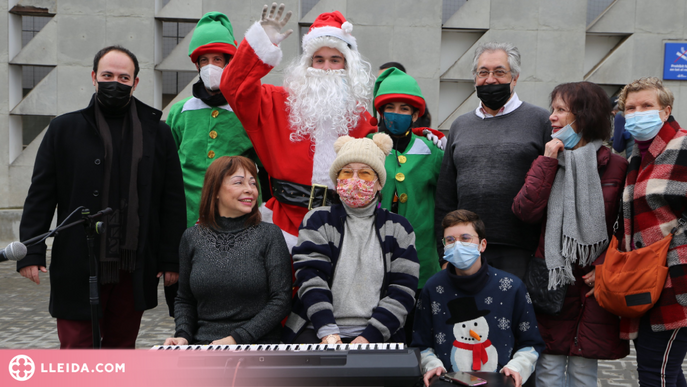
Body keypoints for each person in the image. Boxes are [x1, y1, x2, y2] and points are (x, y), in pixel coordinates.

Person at [17, 46, 186, 348]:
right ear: (94, 78)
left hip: (133, 264)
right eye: (108, 75)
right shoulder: (63, 129)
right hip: (77, 261)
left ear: (135, 83)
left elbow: (171, 200)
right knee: (76, 351)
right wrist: (31, 251)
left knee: (121, 350)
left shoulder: (158, 133)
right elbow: (41, 194)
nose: (115, 83)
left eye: (124, 77)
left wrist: (171, 258)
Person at [220, 4, 377, 252]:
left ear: (347, 66)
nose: (326, 68)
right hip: (283, 227)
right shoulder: (276, 103)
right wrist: (261, 44)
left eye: (335, 60)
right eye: (319, 59)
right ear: (308, 64)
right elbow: (232, 87)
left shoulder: (361, 119)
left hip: (341, 228)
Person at [512, 82, 629, 387]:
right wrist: (548, 160)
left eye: (561, 110)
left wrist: (603, 265)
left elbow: (624, 225)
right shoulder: (547, 160)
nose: (552, 117)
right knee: (548, 369)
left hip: (592, 286)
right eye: (553, 109)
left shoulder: (616, 166)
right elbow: (525, 211)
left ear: (584, 116)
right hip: (552, 278)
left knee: (582, 371)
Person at [282, 134, 420, 344]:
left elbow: (403, 289)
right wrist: (327, 330)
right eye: (347, 172)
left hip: (378, 334)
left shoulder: (399, 228)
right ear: (337, 181)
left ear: (379, 183)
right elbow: (310, 277)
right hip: (316, 328)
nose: (354, 179)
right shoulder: (318, 220)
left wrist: (368, 337)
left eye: (365, 173)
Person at [434, 42, 551, 279]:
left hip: (520, 250)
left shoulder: (540, 121)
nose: (490, 80)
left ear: (515, 78)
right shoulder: (460, 125)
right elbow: (446, 195)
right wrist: (444, 254)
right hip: (466, 248)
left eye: (499, 72)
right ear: (475, 78)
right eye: (483, 72)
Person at [164, 156, 291, 345]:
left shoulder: (269, 234)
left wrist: (236, 339)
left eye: (253, 183)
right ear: (214, 190)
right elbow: (184, 299)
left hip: (258, 345)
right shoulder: (192, 237)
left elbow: (281, 300)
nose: (250, 189)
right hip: (203, 345)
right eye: (238, 182)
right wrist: (182, 335)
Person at [413, 209, 544, 387]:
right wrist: (432, 365)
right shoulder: (433, 288)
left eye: (465, 238)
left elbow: (531, 342)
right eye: (450, 240)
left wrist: (516, 368)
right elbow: (420, 343)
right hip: (448, 383)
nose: (457, 245)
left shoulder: (511, 287)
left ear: (482, 245)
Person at [615, 77, 687, 386]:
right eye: (630, 108)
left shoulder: (683, 144)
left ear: (666, 110)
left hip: (676, 283)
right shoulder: (638, 155)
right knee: (664, 370)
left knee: (655, 373)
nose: (637, 113)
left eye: (647, 106)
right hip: (647, 282)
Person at [167, 12, 268, 229]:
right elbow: (167, 165)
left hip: (240, 219)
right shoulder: (179, 111)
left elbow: (266, 166)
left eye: (217, 60)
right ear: (197, 65)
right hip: (186, 216)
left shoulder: (247, 110)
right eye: (204, 60)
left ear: (229, 63)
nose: (209, 66)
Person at [371, 67, 443, 342]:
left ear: (415, 115)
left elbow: (447, 200)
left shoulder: (432, 151)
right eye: (389, 107)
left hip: (422, 258)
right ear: (380, 113)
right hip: (375, 255)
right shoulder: (367, 147)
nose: (396, 114)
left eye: (404, 108)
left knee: (418, 336)